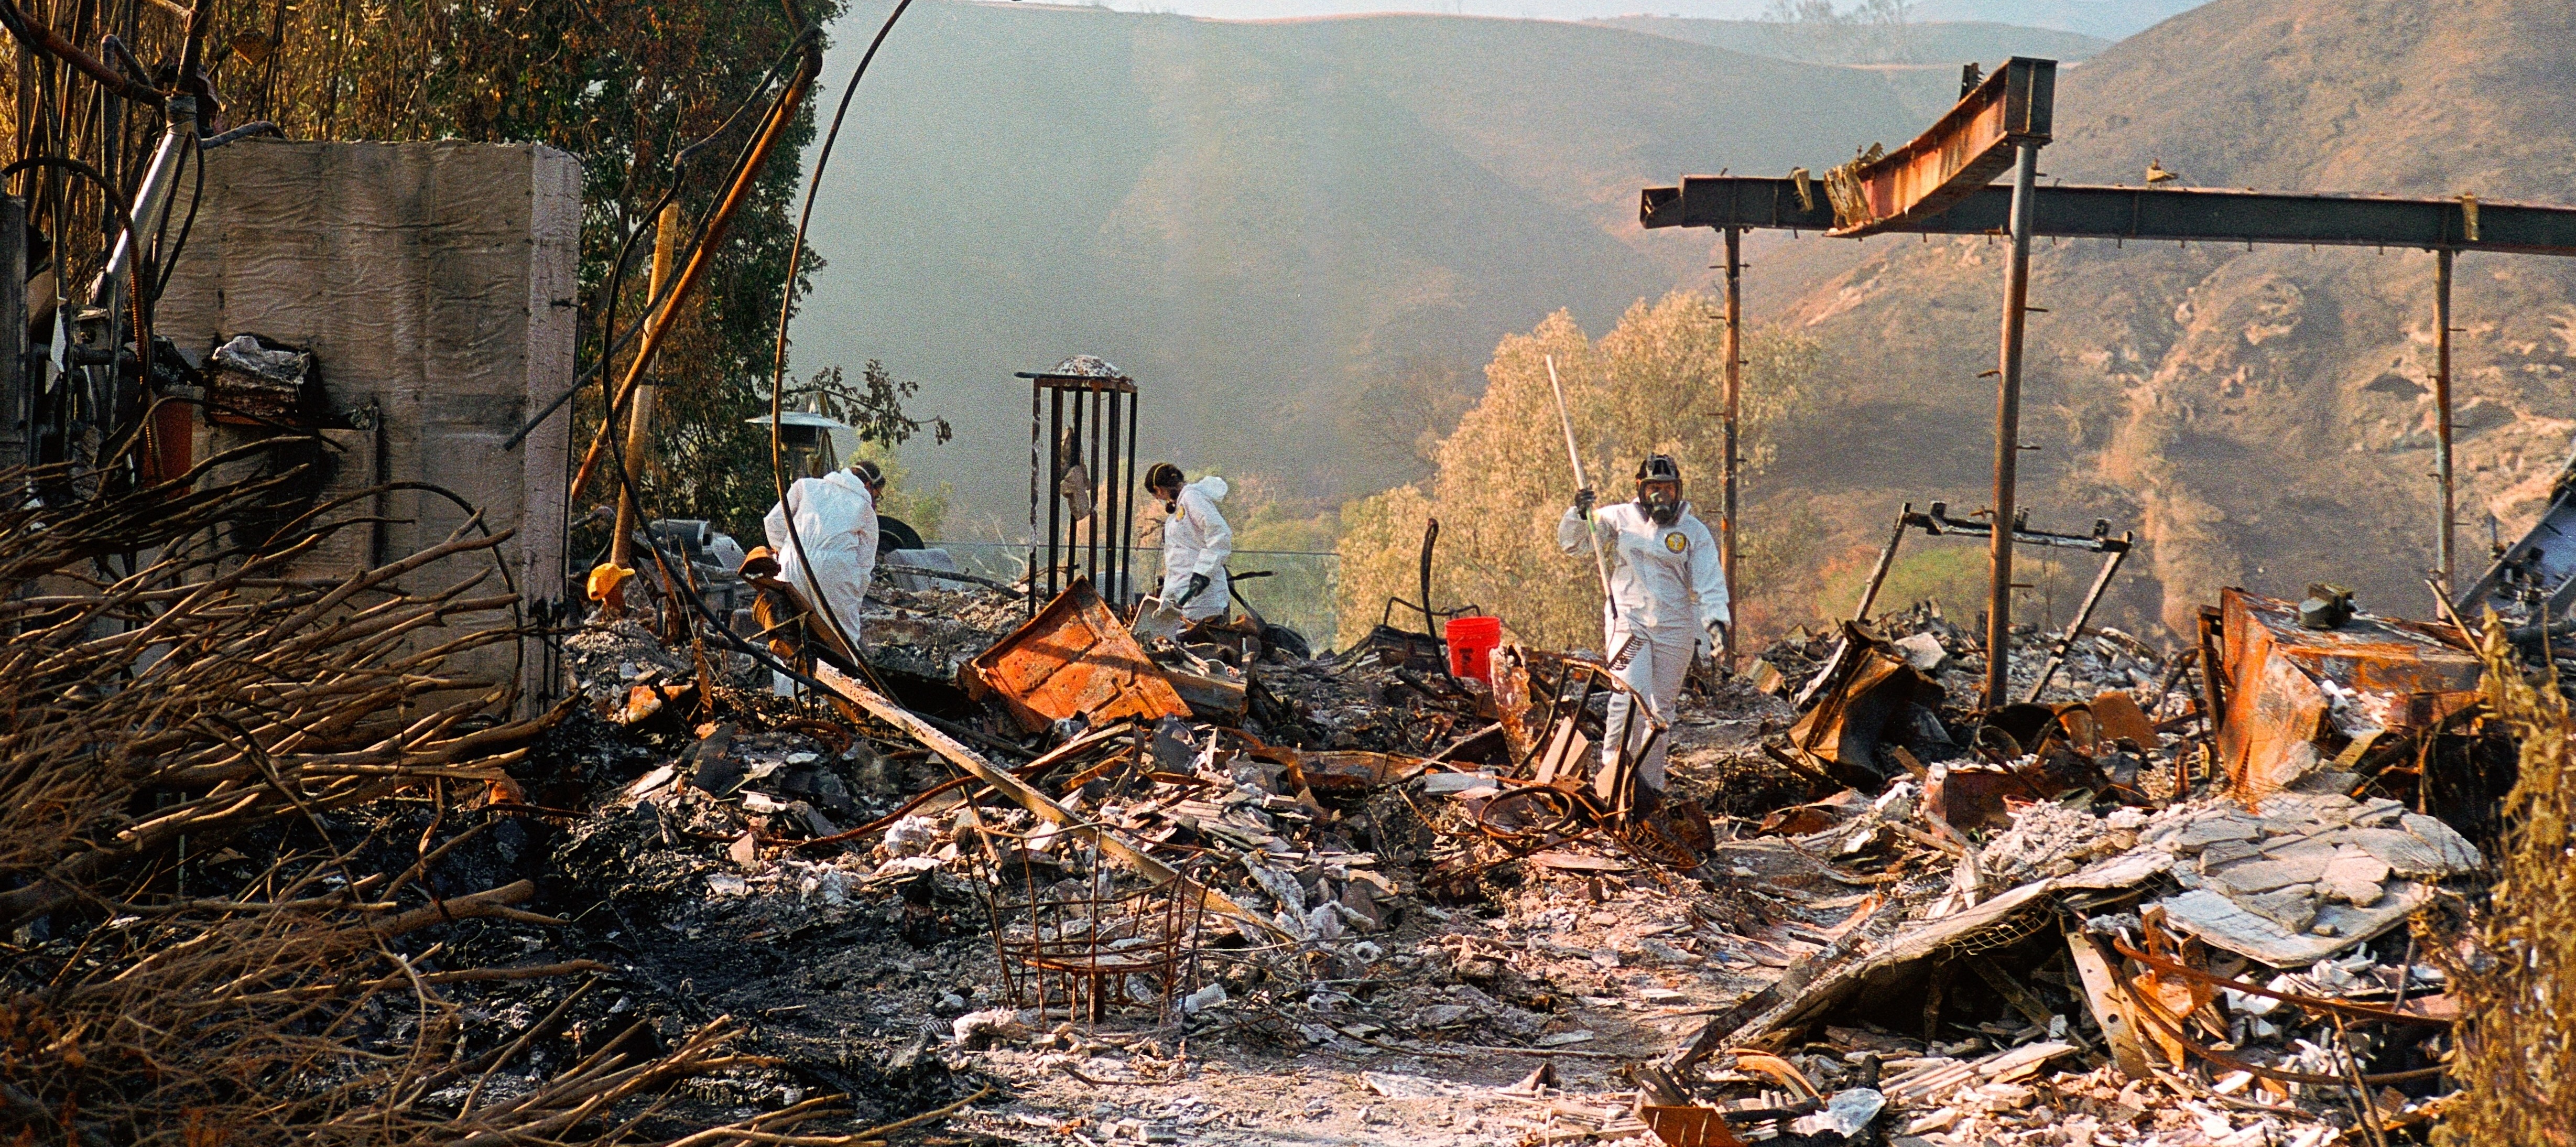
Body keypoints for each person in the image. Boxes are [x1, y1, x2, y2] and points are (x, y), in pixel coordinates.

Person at [1557, 453, 1729, 803]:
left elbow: (1709, 581)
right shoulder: (1618, 518)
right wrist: (1579, 514)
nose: (1659, 496)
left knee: (1659, 712)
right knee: (1628, 698)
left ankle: (1650, 789)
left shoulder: (1693, 531)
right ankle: (1611, 779)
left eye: (1666, 488)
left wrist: (1715, 622)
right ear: (1640, 489)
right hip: (1629, 620)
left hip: (1675, 626)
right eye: (1653, 488)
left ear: (1677, 490)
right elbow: (1573, 545)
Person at [763, 456, 886, 650]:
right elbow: (864, 564)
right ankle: (842, 677)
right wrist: (854, 594)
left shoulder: (806, 486)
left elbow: (773, 523)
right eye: (877, 496)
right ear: (869, 486)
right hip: (835, 570)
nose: (875, 502)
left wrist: (787, 552)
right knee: (843, 639)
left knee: (789, 635)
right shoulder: (864, 509)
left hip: (792, 563)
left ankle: (789, 680)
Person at [1146, 462, 1232, 622]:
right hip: (1183, 592)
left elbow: (1220, 533)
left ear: (1158, 490)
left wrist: (1203, 572)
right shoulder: (1181, 504)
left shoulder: (1192, 498)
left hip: (1201, 596)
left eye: (1155, 495)